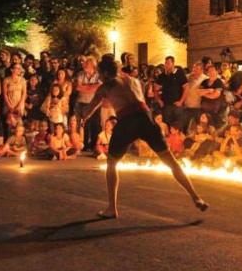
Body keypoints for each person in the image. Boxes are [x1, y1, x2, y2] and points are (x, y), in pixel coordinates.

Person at [81, 54, 207, 219]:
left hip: (127, 121)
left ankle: (112, 208)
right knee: (169, 160)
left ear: (104, 73)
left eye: (99, 73)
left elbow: (88, 111)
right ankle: (196, 197)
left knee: (111, 162)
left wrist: (81, 115)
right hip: (147, 118)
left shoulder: (106, 86)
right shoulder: (133, 80)